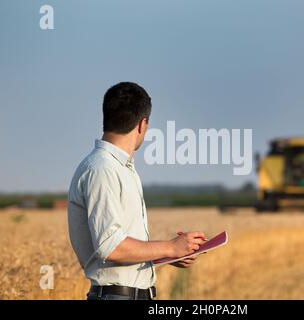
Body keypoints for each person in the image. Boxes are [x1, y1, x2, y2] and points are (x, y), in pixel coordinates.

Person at [67, 82, 206, 300]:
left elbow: (121, 246)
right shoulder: (103, 168)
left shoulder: (119, 168)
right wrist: (170, 247)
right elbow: (112, 248)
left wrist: (172, 252)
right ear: (142, 124)